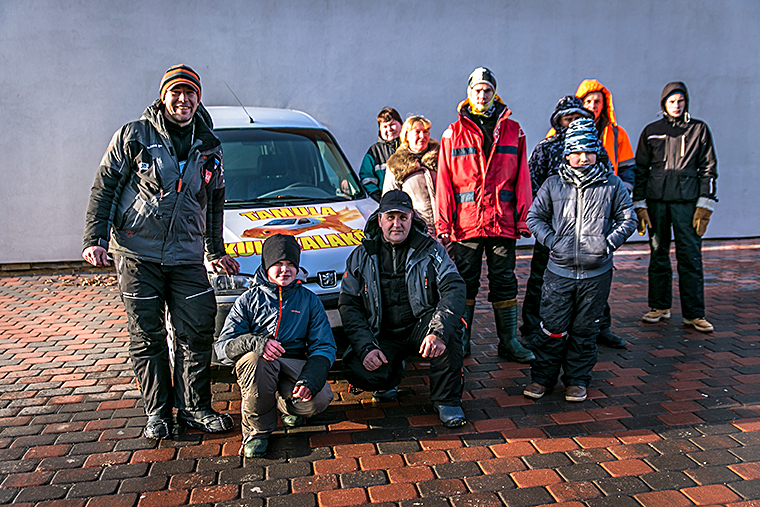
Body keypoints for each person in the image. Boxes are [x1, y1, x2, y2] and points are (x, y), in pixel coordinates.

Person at [82, 64, 241, 439]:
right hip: (138, 253)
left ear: (198, 98)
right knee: (147, 335)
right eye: (176, 93)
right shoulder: (134, 135)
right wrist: (95, 238)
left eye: (190, 94)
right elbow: (104, 187)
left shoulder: (210, 145)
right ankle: (158, 412)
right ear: (163, 96)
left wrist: (214, 251)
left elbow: (214, 201)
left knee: (197, 329)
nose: (183, 100)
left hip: (186, 255)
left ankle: (193, 408)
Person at [525, 119, 636, 402]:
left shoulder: (612, 185)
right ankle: (542, 379)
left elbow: (628, 219)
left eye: (589, 151)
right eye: (576, 152)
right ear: (567, 154)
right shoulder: (552, 185)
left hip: (596, 274)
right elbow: (534, 218)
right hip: (558, 271)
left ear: (597, 152)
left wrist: (607, 243)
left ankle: (576, 380)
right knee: (551, 327)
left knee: (585, 330)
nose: (583, 158)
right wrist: (553, 242)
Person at [340, 190, 467, 428]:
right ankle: (390, 376)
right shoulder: (361, 255)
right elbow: (349, 305)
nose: (396, 224)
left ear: (412, 218)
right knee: (357, 369)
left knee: (451, 331)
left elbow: (454, 288)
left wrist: (437, 331)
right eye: (390, 217)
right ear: (379, 220)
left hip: (421, 326)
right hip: (383, 333)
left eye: (403, 217)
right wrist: (366, 346)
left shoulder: (431, 249)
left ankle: (447, 400)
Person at [436, 67, 534, 361]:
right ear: (468, 93)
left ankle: (509, 342)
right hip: (467, 225)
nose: (482, 95)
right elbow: (444, 181)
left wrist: (523, 218)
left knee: (505, 281)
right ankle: (462, 341)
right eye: (477, 90)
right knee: (465, 283)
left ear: (494, 93)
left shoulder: (514, 131)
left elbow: (523, 180)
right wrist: (444, 222)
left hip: (502, 222)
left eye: (487, 90)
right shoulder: (453, 132)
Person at [214, 234, 336, 458]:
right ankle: (257, 432)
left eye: (290, 264)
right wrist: (257, 342)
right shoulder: (248, 300)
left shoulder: (309, 300)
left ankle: (285, 404)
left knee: (320, 399)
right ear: (266, 265)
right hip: (260, 364)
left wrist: (311, 378)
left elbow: (324, 346)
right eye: (278, 263)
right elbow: (222, 348)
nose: (285, 270)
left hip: (293, 363)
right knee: (255, 360)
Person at [634, 82, 718, 332]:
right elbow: (640, 170)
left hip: (688, 203)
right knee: (658, 254)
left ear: (686, 102)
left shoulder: (699, 129)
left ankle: (694, 314)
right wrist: (639, 204)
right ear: (664, 104)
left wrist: (706, 203)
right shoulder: (651, 131)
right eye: (672, 101)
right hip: (657, 202)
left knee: (690, 257)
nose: (677, 105)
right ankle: (659, 306)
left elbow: (708, 168)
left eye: (681, 100)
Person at [521, 96, 595, 344]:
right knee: (541, 277)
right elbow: (531, 185)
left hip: (587, 228)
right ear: (559, 121)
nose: (573, 122)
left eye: (577, 118)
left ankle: (596, 327)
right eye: (568, 118)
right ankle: (532, 327)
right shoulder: (547, 148)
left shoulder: (595, 149)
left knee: (591, 278)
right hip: (553, 227)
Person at [383, 115, 439, 236]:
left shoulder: (440, 158)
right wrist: (414, 224)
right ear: (406, 136)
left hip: (447, 231)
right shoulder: (396, 164)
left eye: (426, 132)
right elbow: (391, 202)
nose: (422, 136)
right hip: (417, 231)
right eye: (417, 132)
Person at [359, 107, 403, 201]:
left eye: (393, 124)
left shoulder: (409, 148)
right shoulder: (374, 152)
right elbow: (367, 179)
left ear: (401, 125)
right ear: (380, 129)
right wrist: (380, 199)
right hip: (386, 204)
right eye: (385, 126)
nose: (389, 129)